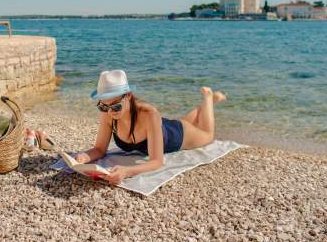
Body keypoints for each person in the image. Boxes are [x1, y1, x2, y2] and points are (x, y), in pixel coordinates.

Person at [74, 70, 227, 185]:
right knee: (186, 120)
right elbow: (99, 150)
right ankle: (206, 103)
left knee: (206, 135)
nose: (110, 111)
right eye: (103, 106)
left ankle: (209, 98)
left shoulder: (149, 114)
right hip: (160, 127)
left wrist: (127, 171)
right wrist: (84, 157)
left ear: (128, 96)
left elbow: (157, 161)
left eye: (116, 106)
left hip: (177, 135)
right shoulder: (109, 111)